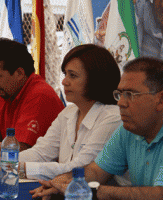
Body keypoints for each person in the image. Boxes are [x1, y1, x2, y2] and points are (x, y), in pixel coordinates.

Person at [32, 57, 163, 200]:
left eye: (130, 95)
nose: (121, 103)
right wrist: (63, 181)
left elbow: (159, 194)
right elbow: (96, 171)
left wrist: (96, 191)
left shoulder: (119, 120)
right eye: (119, 94)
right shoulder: (128, 130)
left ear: (160, 100)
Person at [18, 44, 122, 181]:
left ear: (95, 79)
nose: (64, 82)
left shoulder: (112, 117)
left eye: (72, 75)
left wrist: (20, 168)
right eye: (65, 74)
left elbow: (80, 168)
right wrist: (8, 160)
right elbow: (42, 152)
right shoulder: (69, 112)